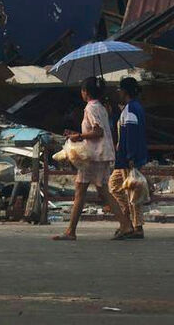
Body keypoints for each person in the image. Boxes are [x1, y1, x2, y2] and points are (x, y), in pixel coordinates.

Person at [52, 76, 132, 241]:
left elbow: (98, 131)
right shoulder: (102, 107)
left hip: (93, 156)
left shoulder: (90, 108)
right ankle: (125, 225)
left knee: (81, 191)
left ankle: (71, 231)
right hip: (101, 154)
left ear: (85, 92)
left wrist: (78, 135)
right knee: (102, 191)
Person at [109, 76, 150, 240]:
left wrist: (130, 156)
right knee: (116, 186)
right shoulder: (133, 108)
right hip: (126, 157)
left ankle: (135, 225)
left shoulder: (130, 110)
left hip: (128, 158)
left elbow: (131, 135)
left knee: (131, 191)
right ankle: (128, 220)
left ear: (124, 91)